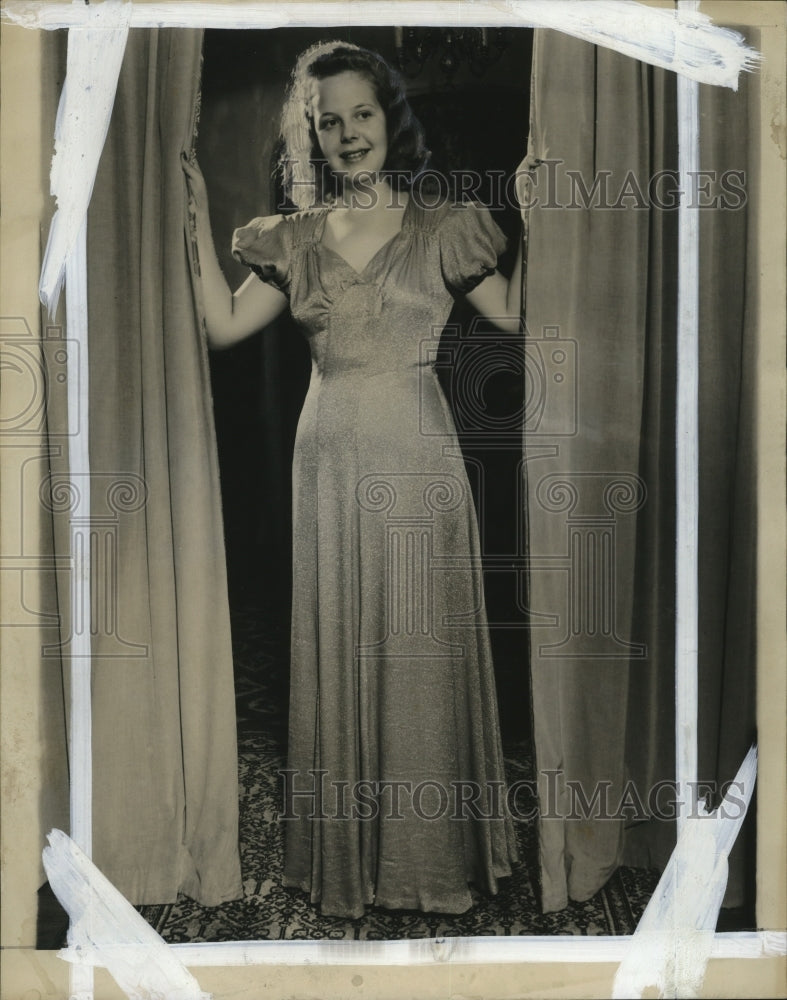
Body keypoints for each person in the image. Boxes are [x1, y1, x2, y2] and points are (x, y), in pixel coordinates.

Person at [182, 40, 526, 920]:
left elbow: (517, 314)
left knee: (419, 651)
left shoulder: (446, 223)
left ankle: (428, 860)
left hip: (419, 456)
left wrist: (542, 206)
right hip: (328, 460)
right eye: (326, 120)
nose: (346, 133)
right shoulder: (291, 240)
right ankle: (354, 857)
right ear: (313, 135)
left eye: (361, 114)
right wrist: (186, 225)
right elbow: (221, 328)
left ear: (389, 119)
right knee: (343, 640)